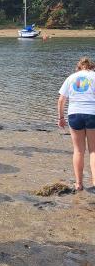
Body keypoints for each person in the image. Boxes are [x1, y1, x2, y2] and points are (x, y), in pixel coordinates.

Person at [58, 57, 95, 192]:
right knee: (93, 151)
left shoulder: (71, 77)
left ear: (79, 67)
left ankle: (79, 184)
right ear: (91, 67)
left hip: (74, 114)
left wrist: (61, 117)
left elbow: (61, 99)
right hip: (92, 113)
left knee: (78, 151)